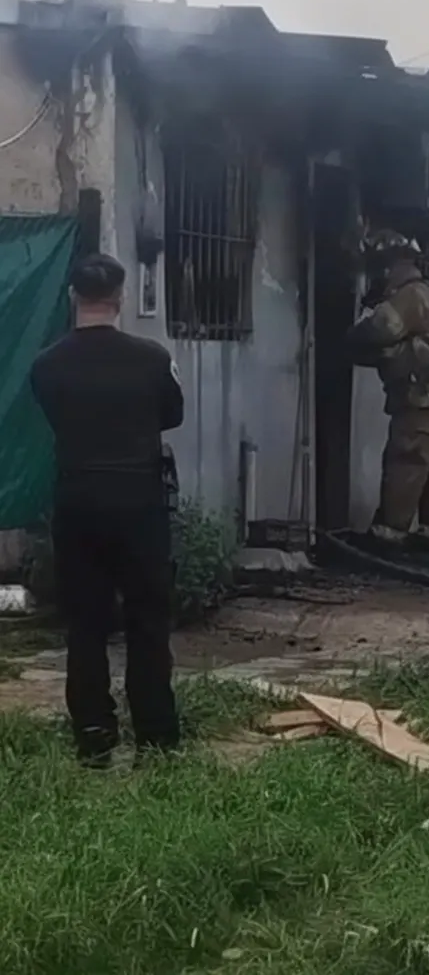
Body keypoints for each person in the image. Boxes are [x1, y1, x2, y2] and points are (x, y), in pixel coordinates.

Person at [30, 253, 184, 767]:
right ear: (119, 299)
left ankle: (94, 733)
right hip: (138, 500)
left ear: (73, 296)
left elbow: (55, 416)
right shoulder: (152, 358)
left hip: (78, 501)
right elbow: (173, 414)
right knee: (146, 619)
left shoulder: (47, 364)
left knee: (86, 621)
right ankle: (157, 736)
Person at [346, 230, 429, 548]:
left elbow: (382, 328)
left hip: (418, 396)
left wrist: (349, 337)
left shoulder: (409, 295)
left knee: (406, 458)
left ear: (390, 266)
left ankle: (388, 534)